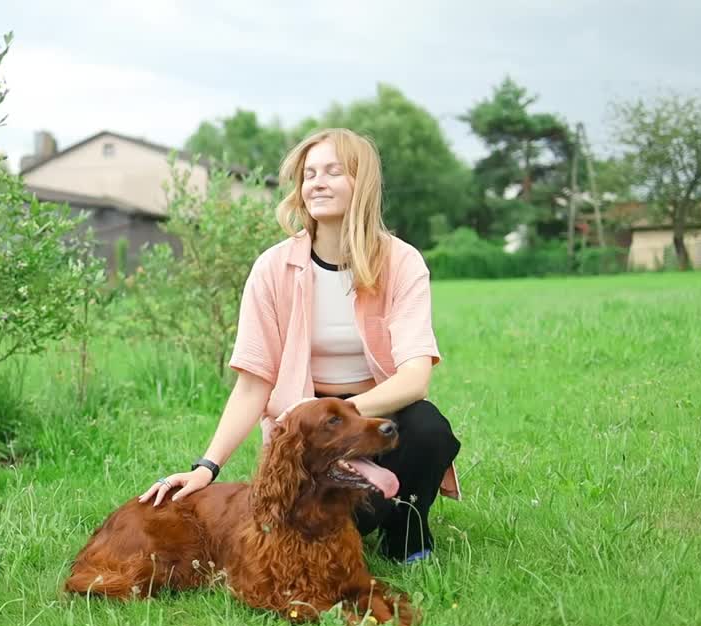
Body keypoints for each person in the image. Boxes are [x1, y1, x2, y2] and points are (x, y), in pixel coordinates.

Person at [138, 128, 461, 563]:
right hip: (306, 422)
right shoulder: (273, 268)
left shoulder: (401, 262)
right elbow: (253, 386)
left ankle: (406, 529)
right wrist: (206, 467)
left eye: (333, 171)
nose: (317, 183)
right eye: (309, 174)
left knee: (429, 429)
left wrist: (348, 415)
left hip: (376, 408)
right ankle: (347, 524)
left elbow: (415, 378)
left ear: (361, 183)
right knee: (326, 527)